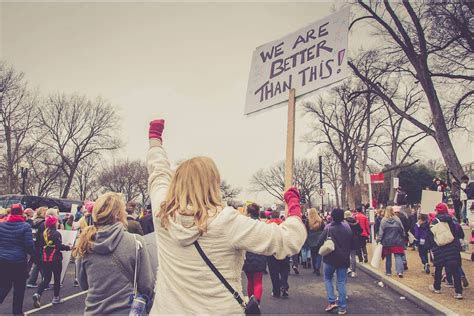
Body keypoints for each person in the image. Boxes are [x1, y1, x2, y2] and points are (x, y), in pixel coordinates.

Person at [146, 119, 306, 314]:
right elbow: (288, 240)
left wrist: (155, 141)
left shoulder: (162, 214)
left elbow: (158, 172)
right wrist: (293, 204)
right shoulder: (226, 221)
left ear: (176, 182)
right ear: (213, 184)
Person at [74, 192, 154, 315]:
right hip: (125, 311)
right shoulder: (136, 241)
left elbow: (83, 284)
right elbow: (146, 286)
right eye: (124, 210)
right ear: (117, 214)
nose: (126, 213)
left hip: (93, 311)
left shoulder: (85, 242)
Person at [315, 208, 352, 315]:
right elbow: (352, 243)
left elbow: (319, 242)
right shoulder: (347, 228)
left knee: (328, 278)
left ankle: (331, 301)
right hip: (344, 258)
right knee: (341, 282)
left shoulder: (328, 228)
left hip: (330, 258)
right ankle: (342, 307)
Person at [0, 203, 35, 315]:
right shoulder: (25, 226)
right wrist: (35, 255)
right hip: (18, 262)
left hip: (3, 260)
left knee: (4, 286)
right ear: (21, 213)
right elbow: (29, 246)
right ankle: (17, 312)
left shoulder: (2, 225)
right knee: (19, 289)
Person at [426, 203, 463, 299]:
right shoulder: (452, 220)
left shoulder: (434, 221)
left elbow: (430, 236)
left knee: (438, 268)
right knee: (455, 270)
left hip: (439, 247)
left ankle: (437, 287)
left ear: (437, 211)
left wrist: (433, 246)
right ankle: (458, 292)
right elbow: (457, 232)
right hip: (452, 247)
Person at [32, 215, 71, 307]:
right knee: (57, 278)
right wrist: (68, 247)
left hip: (45, 258)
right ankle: (56, 298)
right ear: (54, 223)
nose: (58, 223)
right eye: (57, 222)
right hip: (55, 259)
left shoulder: (43, 233)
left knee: (47, 279)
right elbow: (58, 247)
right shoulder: (56, 234)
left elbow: (41, 246)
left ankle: (38, 293)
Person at [242, 203, 267, 303]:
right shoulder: (262, 225)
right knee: (258, 282)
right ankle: (256, 303)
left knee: (250, 281)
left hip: (247, 254)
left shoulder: (244, 225)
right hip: (259, 254)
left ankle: (250, 302)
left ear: (248, 213)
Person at [265, 210, 292, 298]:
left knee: (274, 272)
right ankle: (284, 285)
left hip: (272, 251)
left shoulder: (267, 224)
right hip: (284, 250)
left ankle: (276, 291)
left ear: (271, 216)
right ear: (279, 216)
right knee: (284, 270)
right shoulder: (284, 224)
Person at [378, 206, 405, 278]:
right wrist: (403, 236)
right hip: (397, 240)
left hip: (387, 241)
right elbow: (402, 229)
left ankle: (388, 272)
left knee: (388, 257)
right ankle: (399, 272)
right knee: (398, 256)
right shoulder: (397, 219)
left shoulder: (383, 220)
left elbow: (381, 232)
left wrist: (379, 239)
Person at [27, 207, 47, 288]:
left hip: (33, 244)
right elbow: (43, 236)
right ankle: (45, 282)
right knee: (42, 264)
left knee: (38, 264)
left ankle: (32, 281)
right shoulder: (43, 223)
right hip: (40, 245)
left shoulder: (34, 221)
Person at [306, 208, 324, 276]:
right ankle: (318, 267)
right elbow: (323, 228)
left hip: (311, 239)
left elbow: (306, 229)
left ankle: (315, 268)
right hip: (319, 238)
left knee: (313, 254)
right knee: (319, 254)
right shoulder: (320, 220)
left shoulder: (308, 221)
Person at [344, 210, 362, 278]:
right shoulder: (356, 221)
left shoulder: (344, 222)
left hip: (346, 239)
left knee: (346, 255)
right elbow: (360, 230)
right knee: (353, 256)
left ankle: (348, 269)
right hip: (354, 239)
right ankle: (354, 271)